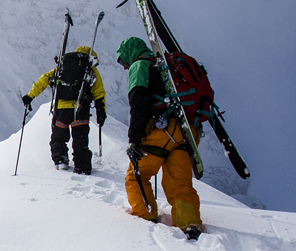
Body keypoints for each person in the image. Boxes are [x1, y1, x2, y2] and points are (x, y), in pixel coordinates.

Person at [115, 36, 204, 239]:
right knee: (180, 184)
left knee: (136, 176)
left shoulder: (140, 65)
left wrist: (134, 139)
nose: (124, 67)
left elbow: (138, 104)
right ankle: (189, 224)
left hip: (161, 130)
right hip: (186, 131)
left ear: (131, 53)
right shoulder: (165, 67)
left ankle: (145, 218)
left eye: (123, 60)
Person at [19, 46, 107, 174]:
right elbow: (99, 92)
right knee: (80, 140)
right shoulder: (89, 69)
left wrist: (30, 96)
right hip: (80, 109)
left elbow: (44, 79)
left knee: (58, 138)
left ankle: (61, 162)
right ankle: (82, 167)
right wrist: (101, 112)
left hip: (61, 109)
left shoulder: (62, 67)